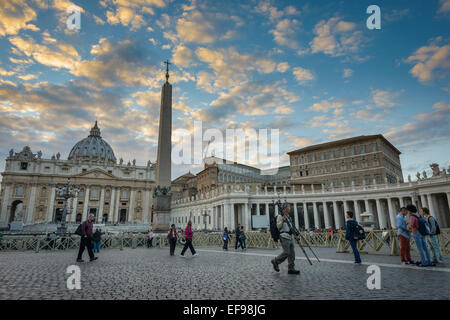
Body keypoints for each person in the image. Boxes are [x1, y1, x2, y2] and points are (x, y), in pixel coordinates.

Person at [271, 204, 300, 275]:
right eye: (289, 206)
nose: (290, 208)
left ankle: (291, 268)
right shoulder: (280, 216)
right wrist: (283, 221)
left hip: (289, 236)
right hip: (283, 235)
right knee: (286, 252)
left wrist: (296, 233)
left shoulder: (289, 217)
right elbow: (278, 226)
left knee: (292, 254)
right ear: (285, 208)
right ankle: (276, 261)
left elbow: (291, 227)